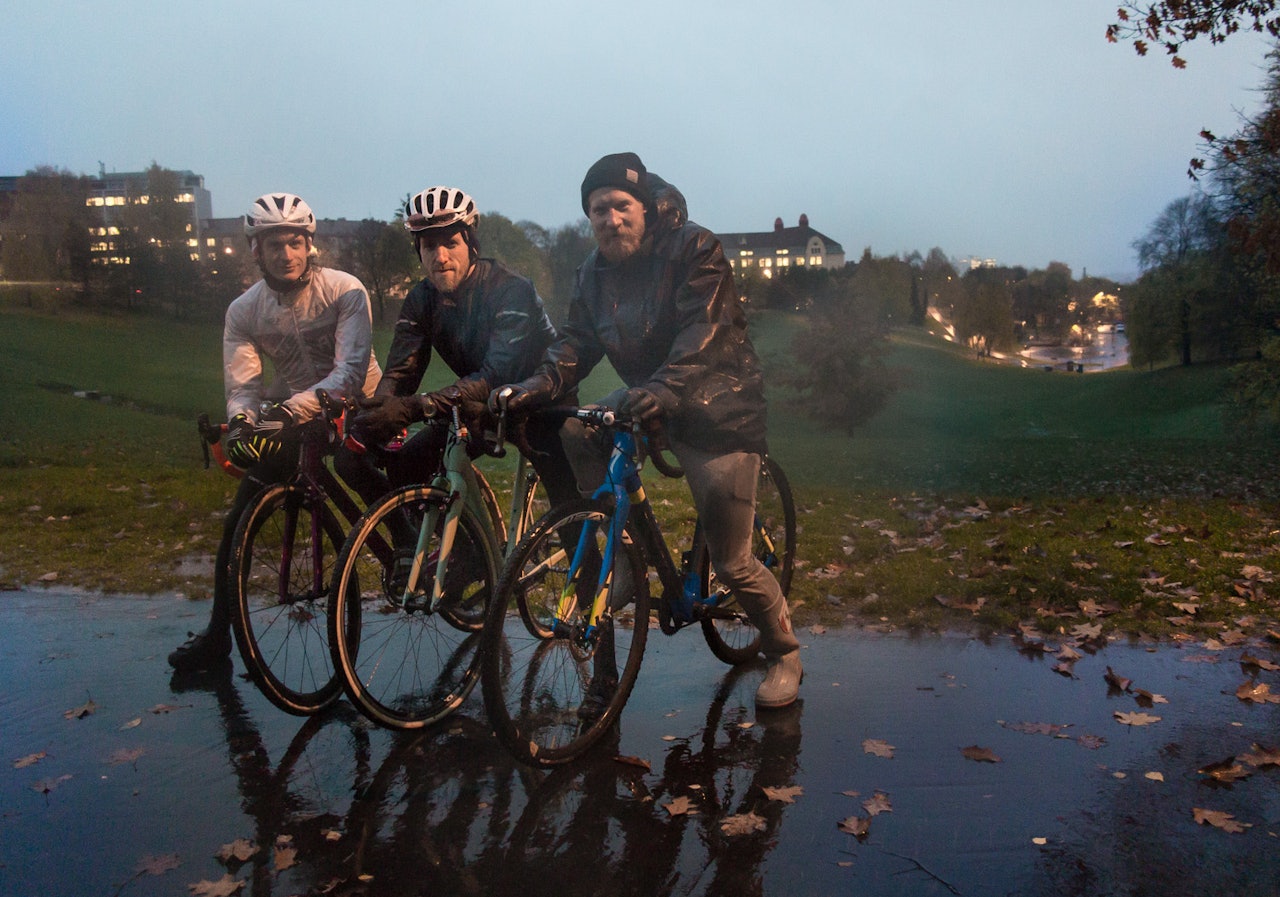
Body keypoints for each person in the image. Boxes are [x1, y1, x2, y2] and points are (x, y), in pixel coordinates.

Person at [493, 152, 802, 710]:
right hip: (648, 399)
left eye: (620, 205)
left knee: (732, 561)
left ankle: (784, 653)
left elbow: (703, 332)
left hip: (717, 405)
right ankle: (627, 557)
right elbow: (574, 343)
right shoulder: (592, 273)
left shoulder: (694, 248)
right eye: (598, 210)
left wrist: (663, 390)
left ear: (645, 208)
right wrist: (536, 386)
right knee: (578, 430)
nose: (610, 219)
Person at [169, 192, 381, 672]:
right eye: (274, 245)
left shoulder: (344, 289)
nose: (286, 254)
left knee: (370, 475)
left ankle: (408, 547)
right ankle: (217, 634)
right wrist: (244, 421)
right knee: (238, 520)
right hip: (294, 411)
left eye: (294, 243)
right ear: (256, 251)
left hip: (360, 402)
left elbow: (349, 373)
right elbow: (243, 386)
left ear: (309, 245)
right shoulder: (244, 311)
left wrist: (284, 413)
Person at [337, 185, 578, 511]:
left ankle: (583, 541)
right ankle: (461, 543)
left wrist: (415, 407)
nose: (440, 257)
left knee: (569, 510)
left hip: (541, 405)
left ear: (471, 245)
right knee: (406, 466)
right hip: (479, 406)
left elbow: (495, 374)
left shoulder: (511, 290)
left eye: (450, 243)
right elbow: (401, 372)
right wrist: (377, 414)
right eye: (429, 246)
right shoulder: (422, 299)